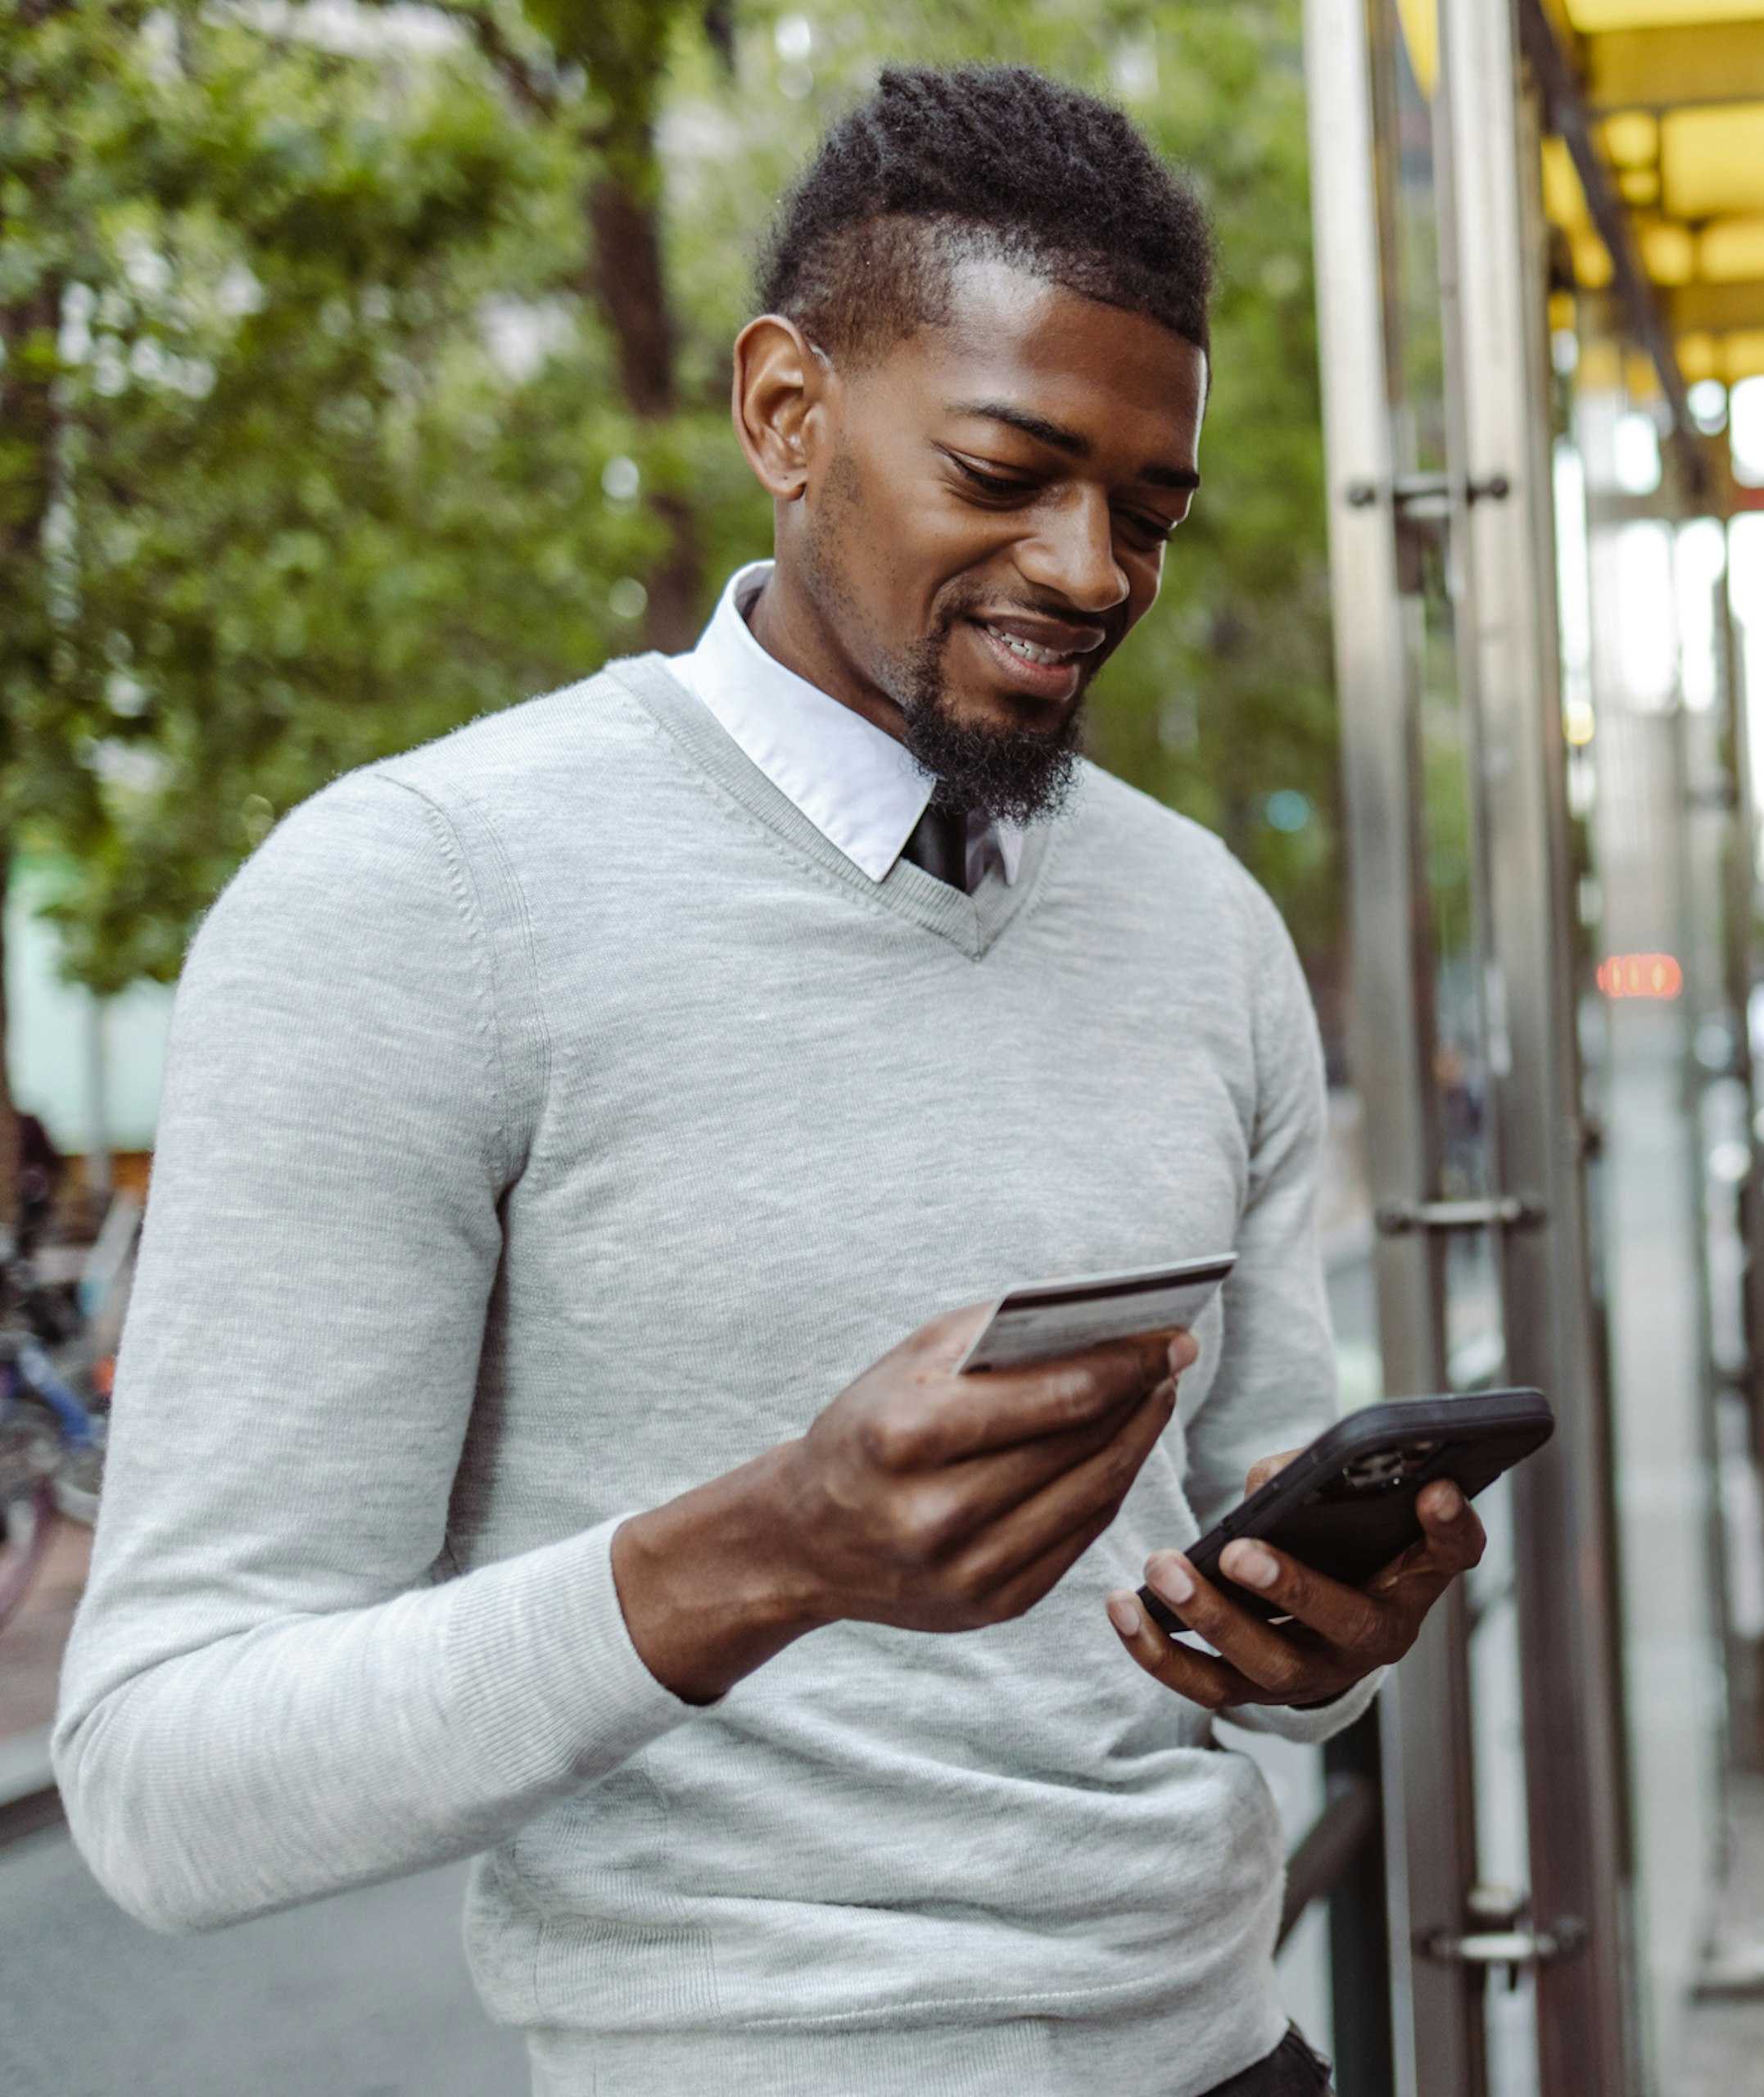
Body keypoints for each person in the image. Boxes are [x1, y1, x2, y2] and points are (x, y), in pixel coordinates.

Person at [51, 66, 1479, 2097]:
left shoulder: (1202, 921)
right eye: (1005, 469)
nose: (1091, 570)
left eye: (1148, 509)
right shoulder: (413, 899)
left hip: (1240, 2054)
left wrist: (1317, 1636)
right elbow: (161, 1777)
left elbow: (1248, 1588)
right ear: (783, 413)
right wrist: (773, 1547)